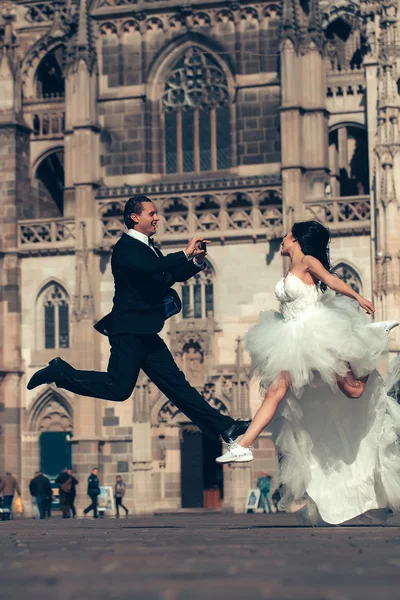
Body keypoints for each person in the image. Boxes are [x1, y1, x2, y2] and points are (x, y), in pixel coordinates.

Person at [217, 220, 400, 525]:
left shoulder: (308, 261)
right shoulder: (292, 266)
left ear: (296, 239)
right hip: (291, 336)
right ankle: (243, 446)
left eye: (286, 235)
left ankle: (374, 337)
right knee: (278, 391)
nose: (282, 238)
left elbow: (332, 280)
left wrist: (358, 298)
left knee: (353, 390)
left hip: (316, 334)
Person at [27, 195, 250, 446]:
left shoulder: (150, 248)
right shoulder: (125, 248)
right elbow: (152, 269)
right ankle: (61, 372)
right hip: (128, 331)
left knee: (178, 386)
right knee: (119, 389)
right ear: (135, 217)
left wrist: (196, 262)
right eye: (151, 213)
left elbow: (166, 276)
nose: (157, 218)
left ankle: (226, 427)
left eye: (156, 214)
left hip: (146, 332)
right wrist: (184, 253)